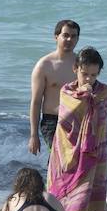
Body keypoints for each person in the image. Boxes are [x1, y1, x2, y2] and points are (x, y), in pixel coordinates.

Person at [47, 46, 107, 211]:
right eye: (85, 74)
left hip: (94, 153)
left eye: (93, 75)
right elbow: (65, 119)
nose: (89, 79)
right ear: (76, 69)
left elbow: (98, 118)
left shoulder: (104, 91)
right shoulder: (66, 91)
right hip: (66, 154)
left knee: (99, 203)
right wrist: (83, 96)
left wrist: (89, 96)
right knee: (68, 203)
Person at [28, 19, 80, 156]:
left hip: (76, 120)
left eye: (74, 36)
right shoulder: (44, 65)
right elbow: (36, 101)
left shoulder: (81, 65)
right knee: (59, 157)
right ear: (56, 37)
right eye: (66, 35)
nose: (69, 39)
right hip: (52, 121)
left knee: (75, 162)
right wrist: (34, 135)